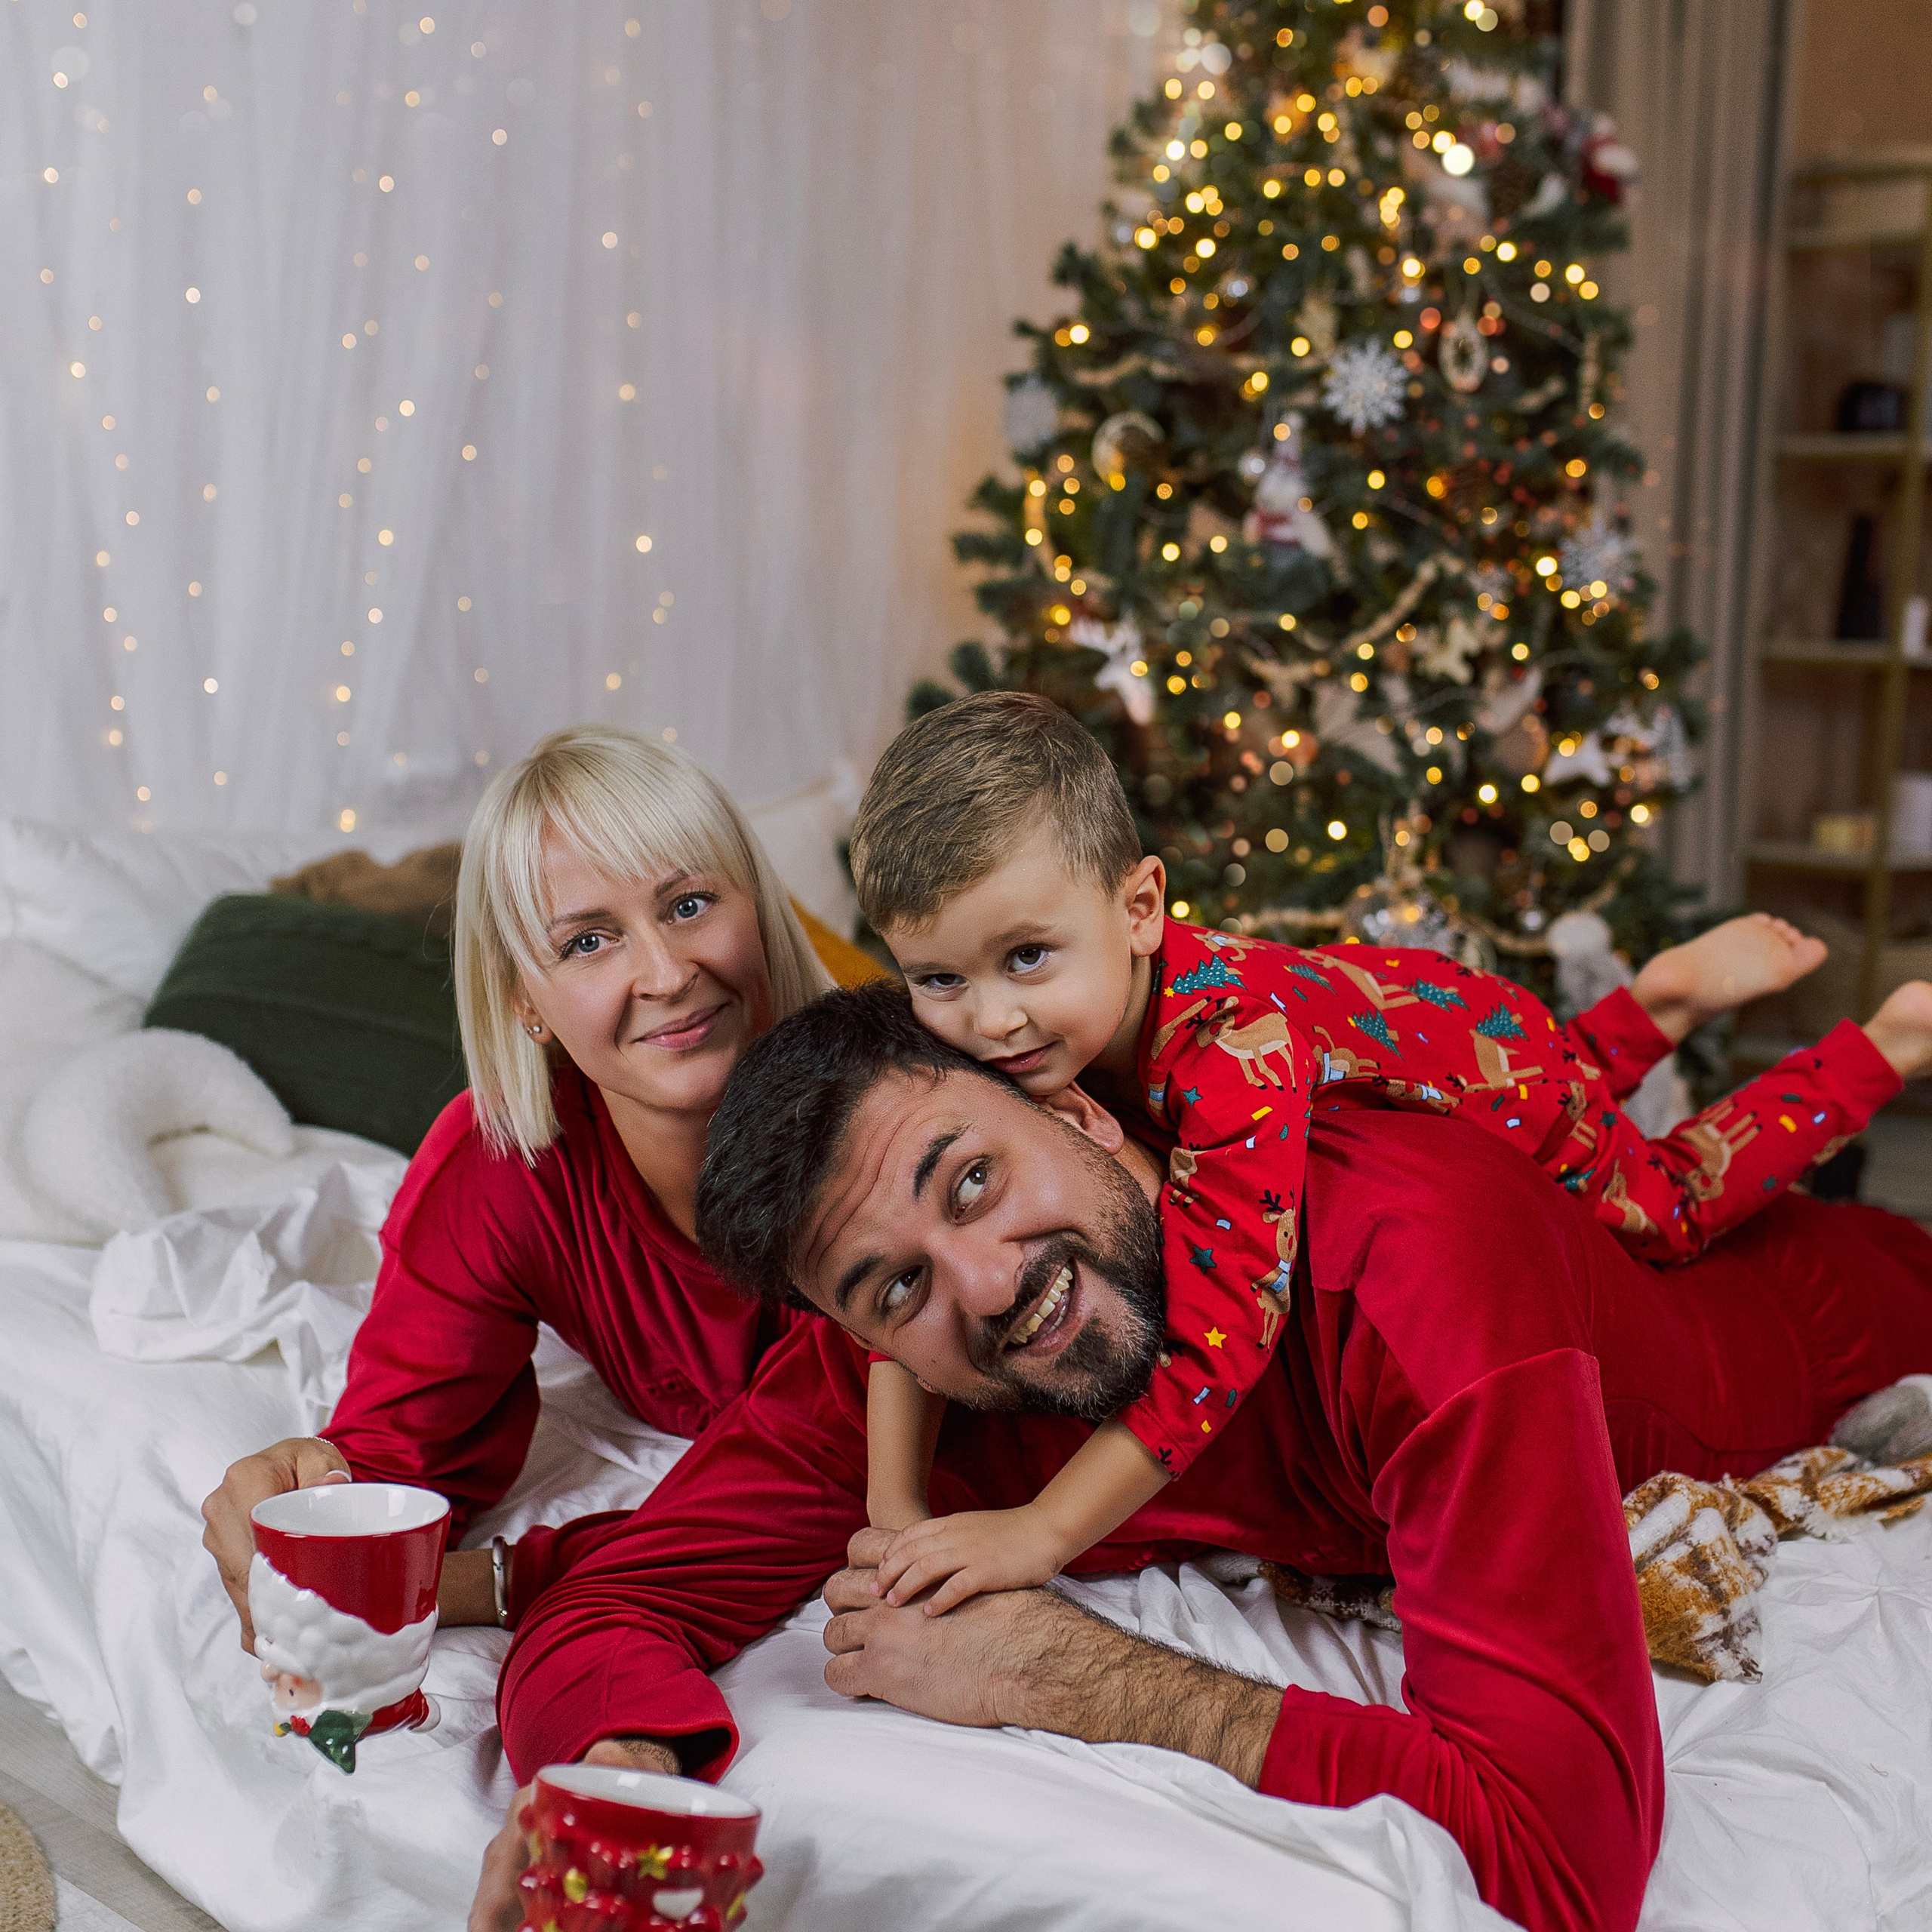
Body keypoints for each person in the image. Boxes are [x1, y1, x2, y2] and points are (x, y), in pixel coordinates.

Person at [463, 981, 1932, 1932]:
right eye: (893, 1282)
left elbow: (1564, 1859)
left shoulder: (1406, 1267)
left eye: (972, 1177)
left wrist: (1080, 1681)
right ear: (865, 1339)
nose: (980, 1281)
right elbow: (614, 1601)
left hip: (1774, 1321)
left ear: (1074, 1106)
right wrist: (618, 1790)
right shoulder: (910, 1377)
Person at [841, 693, 1932, 1612]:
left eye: (1026, 956)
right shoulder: (1019, 1040)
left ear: (1140, 908)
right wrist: (897, 1512)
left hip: (1491, 1072)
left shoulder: (1232, 1060)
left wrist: (1037, 1536)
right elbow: (901, 1243)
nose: (989, 1020)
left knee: (1665, 1203)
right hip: (1408, 1025)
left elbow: (1223, 1341)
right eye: (941, 979)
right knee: (1566, 1079)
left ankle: (1874, 1048)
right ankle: (1641, 1014)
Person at [198, 724, 880, 1644]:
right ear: (525, 1000)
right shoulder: (503, 1166)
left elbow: (823, 1479)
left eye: (688, 904)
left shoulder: (889, 1127)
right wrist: (315, 1496)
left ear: (757, 907)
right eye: (589, 940)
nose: (668, 973)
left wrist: (475, 1585)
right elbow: (402, 1445)